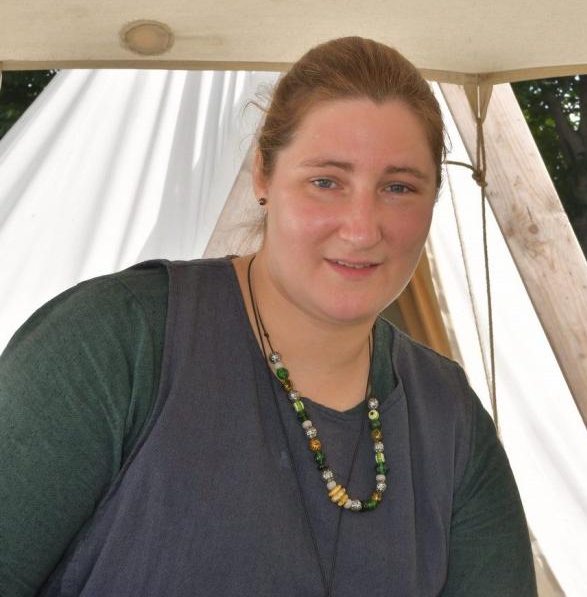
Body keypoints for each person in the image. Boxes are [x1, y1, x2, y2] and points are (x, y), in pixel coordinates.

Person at [0, 37, 536, 596]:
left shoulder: (449, 419)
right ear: (263, 173)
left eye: (398, 187)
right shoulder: (114, 342)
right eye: (326, 182)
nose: (361, 228)